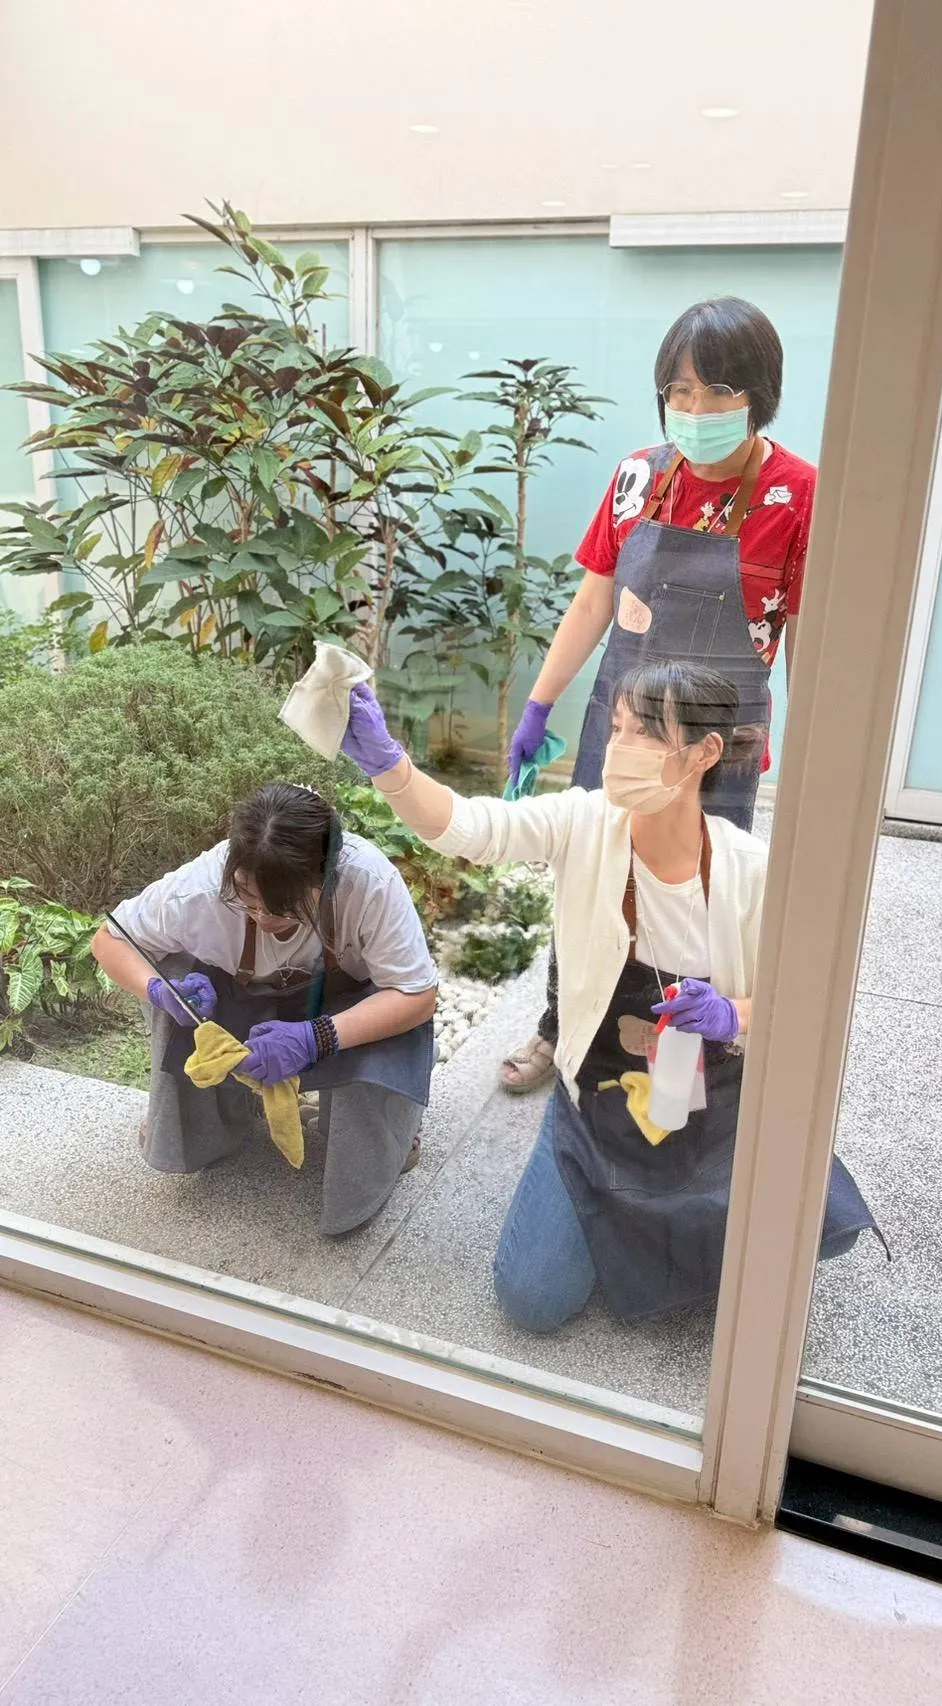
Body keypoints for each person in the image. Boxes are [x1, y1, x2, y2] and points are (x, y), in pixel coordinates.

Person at [338, 666, 876, 1328]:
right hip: (596, 1098)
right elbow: (472, 828)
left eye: (646, 732)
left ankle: (651, 1229)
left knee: (825, 1228)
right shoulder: (584, 822)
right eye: (617, 728)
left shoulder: (750, 873)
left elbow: (804, 1005)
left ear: (704, 752)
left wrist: (731, 1014)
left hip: (710, 1101)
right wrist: (390, 767)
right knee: (533, 1298)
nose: (621, 748)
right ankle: (600, 1186)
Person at [501, 294, 816, 1093]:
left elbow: (808, 633)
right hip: (625, 733)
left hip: (718, 747)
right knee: (592, 881)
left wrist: (819, 755)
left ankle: (684, 1044)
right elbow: (592, 603)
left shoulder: (799, 494)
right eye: (680, 391)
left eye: (718, 392)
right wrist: (539, 706)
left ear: (759, 395)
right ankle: (560, 1026)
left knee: (700, 899)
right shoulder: (637, 476)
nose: (696, 410)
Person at [92, 781, 437, 1235]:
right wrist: (159, 990)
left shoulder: (369, 882)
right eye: (247, 898)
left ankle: (387, 1136)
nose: (263, 917)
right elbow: (110, 939)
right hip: (245, 998)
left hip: (343, 1004)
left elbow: (417, 994)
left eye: (284, 906)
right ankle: (212, 1126)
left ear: (325, 877)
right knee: (163, 963)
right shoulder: (200, 889)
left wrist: (316, 1037)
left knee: (392, 1023)